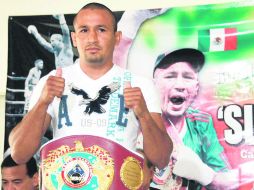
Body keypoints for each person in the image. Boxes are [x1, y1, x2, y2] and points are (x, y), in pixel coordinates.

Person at [9, 2, 173, 189]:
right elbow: (19, 154)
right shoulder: (52, 81)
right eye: (84, 30)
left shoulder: (140, 84)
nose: (92, 38)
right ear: (74, 38)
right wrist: (42, 103)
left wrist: (144, 115)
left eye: (101, 30)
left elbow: (161, 159)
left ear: (117, 37)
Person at [152, 48, 254, 189]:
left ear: (196, 87)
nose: (180, 85)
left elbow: (224, 184)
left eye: (188, 77)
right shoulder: (138, 119)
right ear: (154, 82)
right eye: (170, 76)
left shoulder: (201, 123)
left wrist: (201, 172)